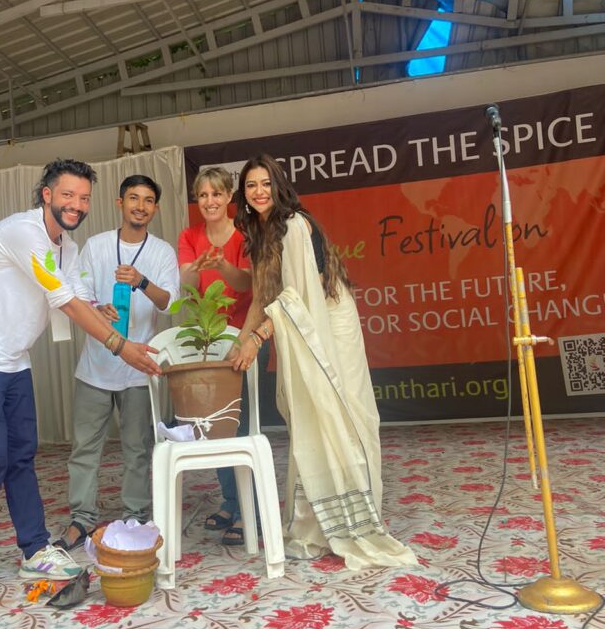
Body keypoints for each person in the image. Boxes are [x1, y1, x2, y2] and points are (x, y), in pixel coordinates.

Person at [0, 159, 160, 605]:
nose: (76, 205)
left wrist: (100, 310)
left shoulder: (67, 248)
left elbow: (78, 297)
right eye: (67, 195)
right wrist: (122, 346)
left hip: (12, 360)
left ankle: (35, 549)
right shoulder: (24, 234)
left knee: (21, 456)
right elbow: (63, 300)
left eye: (83, 198)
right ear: (47, 195)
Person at [229, 154, 416, 571]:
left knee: (342, 413)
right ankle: (315, 521)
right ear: (243, 195)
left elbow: (296, 299)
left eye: (265, 184)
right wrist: (236, 345)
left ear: (278, 186)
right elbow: (263, 297)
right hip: (301, 324)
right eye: (250, 186)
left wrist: (256, 342)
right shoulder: (258, 233)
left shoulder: (294, 225)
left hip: (329, 323)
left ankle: (357, 518)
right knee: (311, 418)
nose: (258, 192)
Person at [56, 175, 180, 550]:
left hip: (139, 368)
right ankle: (81, 518)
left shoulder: (161, 252)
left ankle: (135, 517)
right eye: (133, 198)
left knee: (138, 448)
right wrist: (98, 307)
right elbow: (79, 295)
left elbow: (169, 302)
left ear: (155, 208)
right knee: (85, 447)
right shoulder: (94, 246)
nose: (140, 206)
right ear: (119, 202)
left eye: (147, 200)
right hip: (95, 364)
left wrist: (141, 281)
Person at [177, 166, 252, 546]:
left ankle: (246, 509)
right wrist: (197, 267)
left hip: (242, 338)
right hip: (207, 340)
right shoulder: (189, 236)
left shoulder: (244, 235)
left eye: (217, 194)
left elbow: (247, 282)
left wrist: (223, 265)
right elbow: (186, 284)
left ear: (229, 198)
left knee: (241, 427)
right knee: (215, 426)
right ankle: (230, 501)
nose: (209, 201)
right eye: (203, 195)